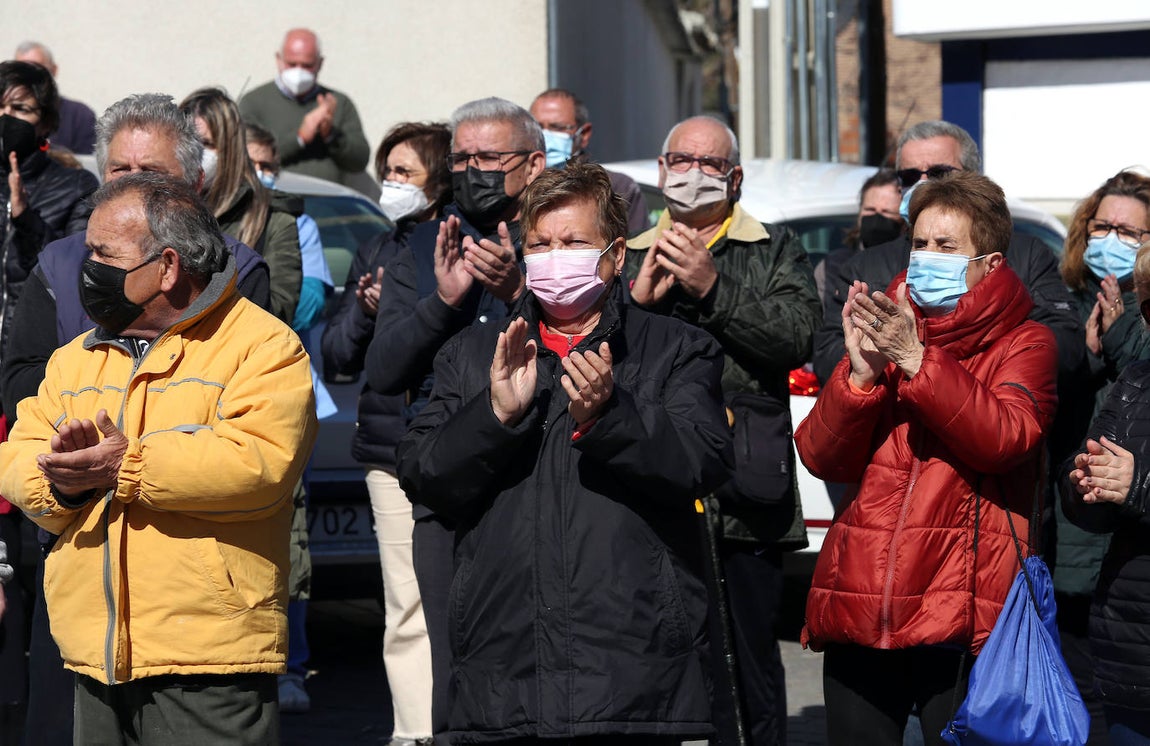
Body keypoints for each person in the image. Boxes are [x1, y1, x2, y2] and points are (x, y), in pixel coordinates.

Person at [396, 161, 732, 743]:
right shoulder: (474, 354)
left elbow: (699, 463)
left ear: (617, 254)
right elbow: (424, 475)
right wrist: (495, 415)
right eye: (541, 245)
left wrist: (610, 415)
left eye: (574, 242)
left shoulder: (674, 349)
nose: (555, 258)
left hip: (631, 672)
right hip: (504, 673)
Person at [0, 172, 317, 744]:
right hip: (92, 653)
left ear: (167, 267)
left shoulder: (263, 346)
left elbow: (258, 466)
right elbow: (20, 455)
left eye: (103, 253)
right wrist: (65, 485)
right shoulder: (76, 356)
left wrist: (125, 465)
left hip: (208, 660)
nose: (86, 268)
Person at [795, 171, 1057, 745]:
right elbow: (819, 455)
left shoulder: (1026, 342)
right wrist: (859, 379)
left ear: (989, 264)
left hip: (960, 613)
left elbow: (1007, 438)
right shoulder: (887, 328)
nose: (926, 258)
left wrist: (917, 361)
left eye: (946, 247)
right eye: (920, 243)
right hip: (863, 600)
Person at [626, 115, 820, 746]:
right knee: (653, 659)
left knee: (747, 666)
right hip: (649, 488)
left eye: (709, 165)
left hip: (743, 495)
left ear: (734, 179)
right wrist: (642, 306)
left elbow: (795, 337)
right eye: (680, 160)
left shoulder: (773, 249)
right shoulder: (625, 252)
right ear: (660, 171)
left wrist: (714, 288)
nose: (692, 174)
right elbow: (601, 359)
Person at [364, 96, 545, 736]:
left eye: (489, 157)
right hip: (442, 476)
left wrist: (517, 293)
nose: (474, 170)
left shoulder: (558, 241)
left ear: (532, 162)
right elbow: (384, 371)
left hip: (539, 471)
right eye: (463, 157)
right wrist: (444, 303)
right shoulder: (420, 246)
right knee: (438, 638)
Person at [321, 121, 451, 746]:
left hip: (455, 444)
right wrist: (365, 311)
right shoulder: (376, 249)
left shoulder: (461, 245)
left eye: (406, 172)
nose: (392, 183)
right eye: (388, 171)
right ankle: (412, 732)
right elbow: (338, 357)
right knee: (404, 601)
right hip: (386, 451)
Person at [811, 120, 1082, 386]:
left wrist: (975, 362)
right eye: (910, 176)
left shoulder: (1026, 254)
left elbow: (1066, 347)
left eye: (939, 173)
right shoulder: (865, 266)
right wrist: (895, 354)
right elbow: (829, 357)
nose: (923, 183)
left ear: (973, 177)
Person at [1055, 169, 1150, 741]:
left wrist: (1122, 338)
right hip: (1076, 524)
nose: (1111, 239)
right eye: (1103, 225)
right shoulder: (1062, 299)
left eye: (1129, 231)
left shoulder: (1135, 328)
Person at [243, 120, 334, 715]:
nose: (260, 172)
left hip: (283, 393)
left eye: (267, 162)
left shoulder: (294, 223)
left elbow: (302, 301)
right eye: (251, 161)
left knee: (290, 538)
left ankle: (291, 665)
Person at [180, 87, 302, 323]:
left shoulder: (273, 219)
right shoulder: (159, 209)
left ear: (230, 150)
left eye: (206, 143)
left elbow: (278, 311)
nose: (195, 153)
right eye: (187, 142)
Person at [0, 60, 98, 349]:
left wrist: (25, 218)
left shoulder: (76, 186)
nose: (6, 117)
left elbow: (74, 274)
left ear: (44, 122)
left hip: (30, 351)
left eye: (20, 109)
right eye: (1, 106)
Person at [239, 28, 370, 186]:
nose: (298, 71)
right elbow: (243, 157)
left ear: (320, 64)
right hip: (274, 199)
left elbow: (359, 161)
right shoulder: (254, 102)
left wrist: (331, 135)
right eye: (292, 64)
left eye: (307, 65)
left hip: (327, 202)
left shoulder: (338, 102)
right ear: (279, 59)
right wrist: (299, 137)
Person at [529, 88, 649, 235]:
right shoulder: (519, 184)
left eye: (558, 128)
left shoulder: (617, 188)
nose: (545, 136)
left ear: (584, 134)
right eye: (537, 128)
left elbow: (635, 251)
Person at [813, 168, 902, 305]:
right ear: (860, 213)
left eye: (887, 212)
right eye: (870, 210)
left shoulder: (907, 265)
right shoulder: (831, 267)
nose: (876, 218)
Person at [12, 42, 96, 154]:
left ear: (54, 70)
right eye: (22, 69)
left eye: (37, 68)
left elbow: (87, 165)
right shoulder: (8, 113)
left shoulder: (80, 115)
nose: (29, 76)